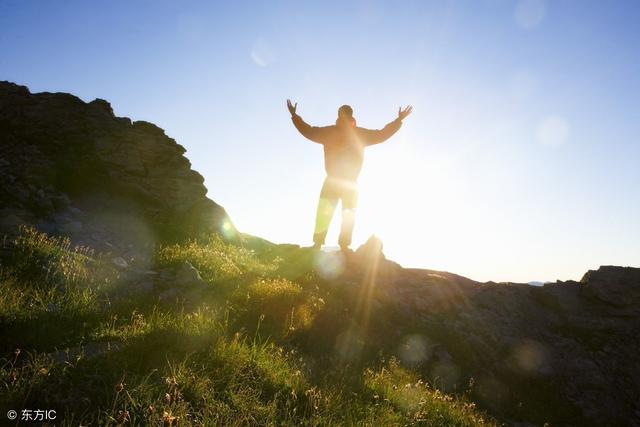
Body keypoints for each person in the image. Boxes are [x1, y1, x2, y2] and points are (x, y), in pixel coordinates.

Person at [287, 99, 412, 251]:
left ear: (339, 115)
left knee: (333, 212)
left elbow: (308, 131)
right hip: (347, 182)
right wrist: (398, 120)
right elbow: (382, 134)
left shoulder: (332, 132)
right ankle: (338, 245)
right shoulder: (357, 134)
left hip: (338, 180)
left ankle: (324, 244)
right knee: (343, 213)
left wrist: (294, 116)